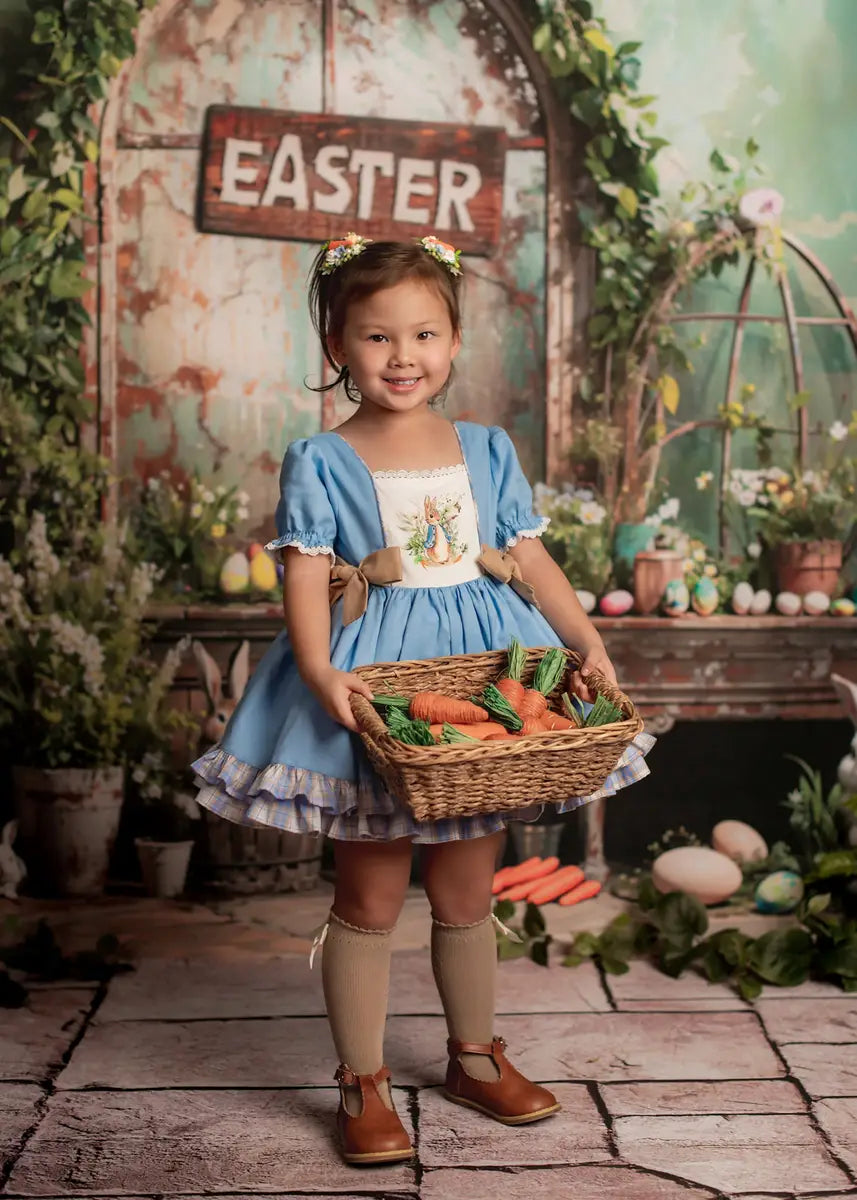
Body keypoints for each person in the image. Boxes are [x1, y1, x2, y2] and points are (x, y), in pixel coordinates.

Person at [192, 231, 653, 1166]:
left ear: (452, 340)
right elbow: (308, 574)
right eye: (375, 338)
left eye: (424, 334)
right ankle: (360, 1079)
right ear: (336, 345)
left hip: (477, 678)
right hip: (379, 683)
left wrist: (587, 640)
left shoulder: (484, 448)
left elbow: (525, 559)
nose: (402, 357)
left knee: (466, 885)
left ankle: (474, 1057)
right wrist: (321, 673)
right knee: (368, 887)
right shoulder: (320, 458)